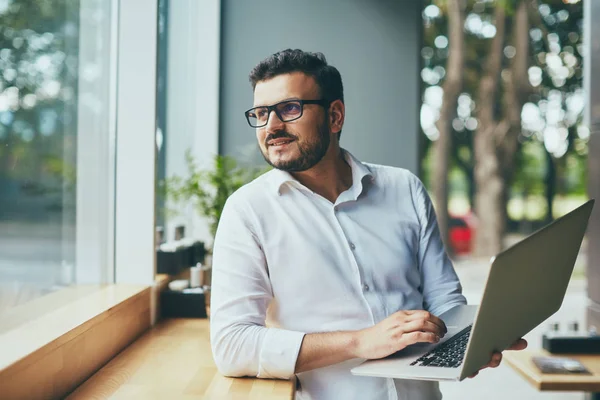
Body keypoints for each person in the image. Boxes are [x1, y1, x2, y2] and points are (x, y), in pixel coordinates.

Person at [210, 49, 527, 400]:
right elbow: (232, 344)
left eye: (289, 109)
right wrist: (362, 341)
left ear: (335, 115)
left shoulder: (404, 188)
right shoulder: (247, 211)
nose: (271, 126)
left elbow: (444, 300)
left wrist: (472, 340)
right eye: (261, 113)